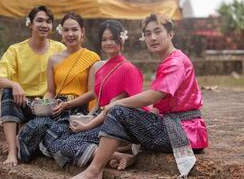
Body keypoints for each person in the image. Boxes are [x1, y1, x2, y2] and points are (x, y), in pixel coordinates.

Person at [71, 12, 209, 179]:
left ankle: (94, 171)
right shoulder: (169, 60)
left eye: (158, 32)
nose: (152, 38)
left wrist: (116, 104)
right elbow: (160, 105)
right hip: (175, 125)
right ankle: (119, 158)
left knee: (118, 111)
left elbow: (152, 97)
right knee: (124, 113)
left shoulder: (175, 62)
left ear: (170, 34)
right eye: (148, 34)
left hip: (184, 131)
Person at [51, 20, 150, 168]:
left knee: (68, 145)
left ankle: (120, 153)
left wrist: (87, 126)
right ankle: (112, 155)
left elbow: (113, 108)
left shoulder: (128, 69)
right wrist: (87, 118)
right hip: (99, 119)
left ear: (122, 39)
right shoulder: (101, 68)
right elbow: (98, 102)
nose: (108, 43)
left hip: (116, 126)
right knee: (59, 136)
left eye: (112, 39)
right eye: (104, 39)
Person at [17, 12, 100, 164]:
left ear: (82, 31)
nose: (70, 34)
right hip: (55, 107)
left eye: (74, 29)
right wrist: (43, 105)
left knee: (55, 133)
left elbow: (92, 93)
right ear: (61, 32)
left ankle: (49, 147)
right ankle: (29, 150)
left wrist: (68, 105)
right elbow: (50, 91)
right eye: (66, 30)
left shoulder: (91, 57)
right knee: (34, 127)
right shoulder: (54, 59)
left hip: (78, 109)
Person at [0, 6, 66, 166]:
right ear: (30, 24)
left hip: (47, 105)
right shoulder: (15, 50)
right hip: (23, 103)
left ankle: (22, 134)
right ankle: (12, 152)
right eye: (39, 20)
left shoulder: (59, 49)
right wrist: (14, 84)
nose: (44, 25)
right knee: (7, 91)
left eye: (48, 21)